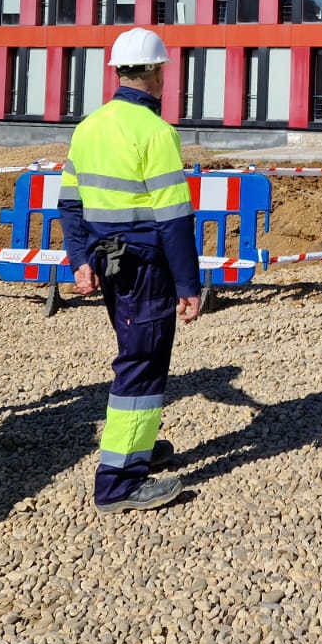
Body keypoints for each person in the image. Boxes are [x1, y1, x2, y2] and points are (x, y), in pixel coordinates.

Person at [61, 27, 202, 513]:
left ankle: (137, 450)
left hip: (109, 262)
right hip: (146, 266)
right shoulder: (156, 133)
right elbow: (174, 218)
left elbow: (70, 204)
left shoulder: (89, 127)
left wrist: (80, 260)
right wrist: (189, 283)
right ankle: (118, 480)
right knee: (141, 364)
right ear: (158, 73)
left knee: (135, 353)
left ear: (119, 71)